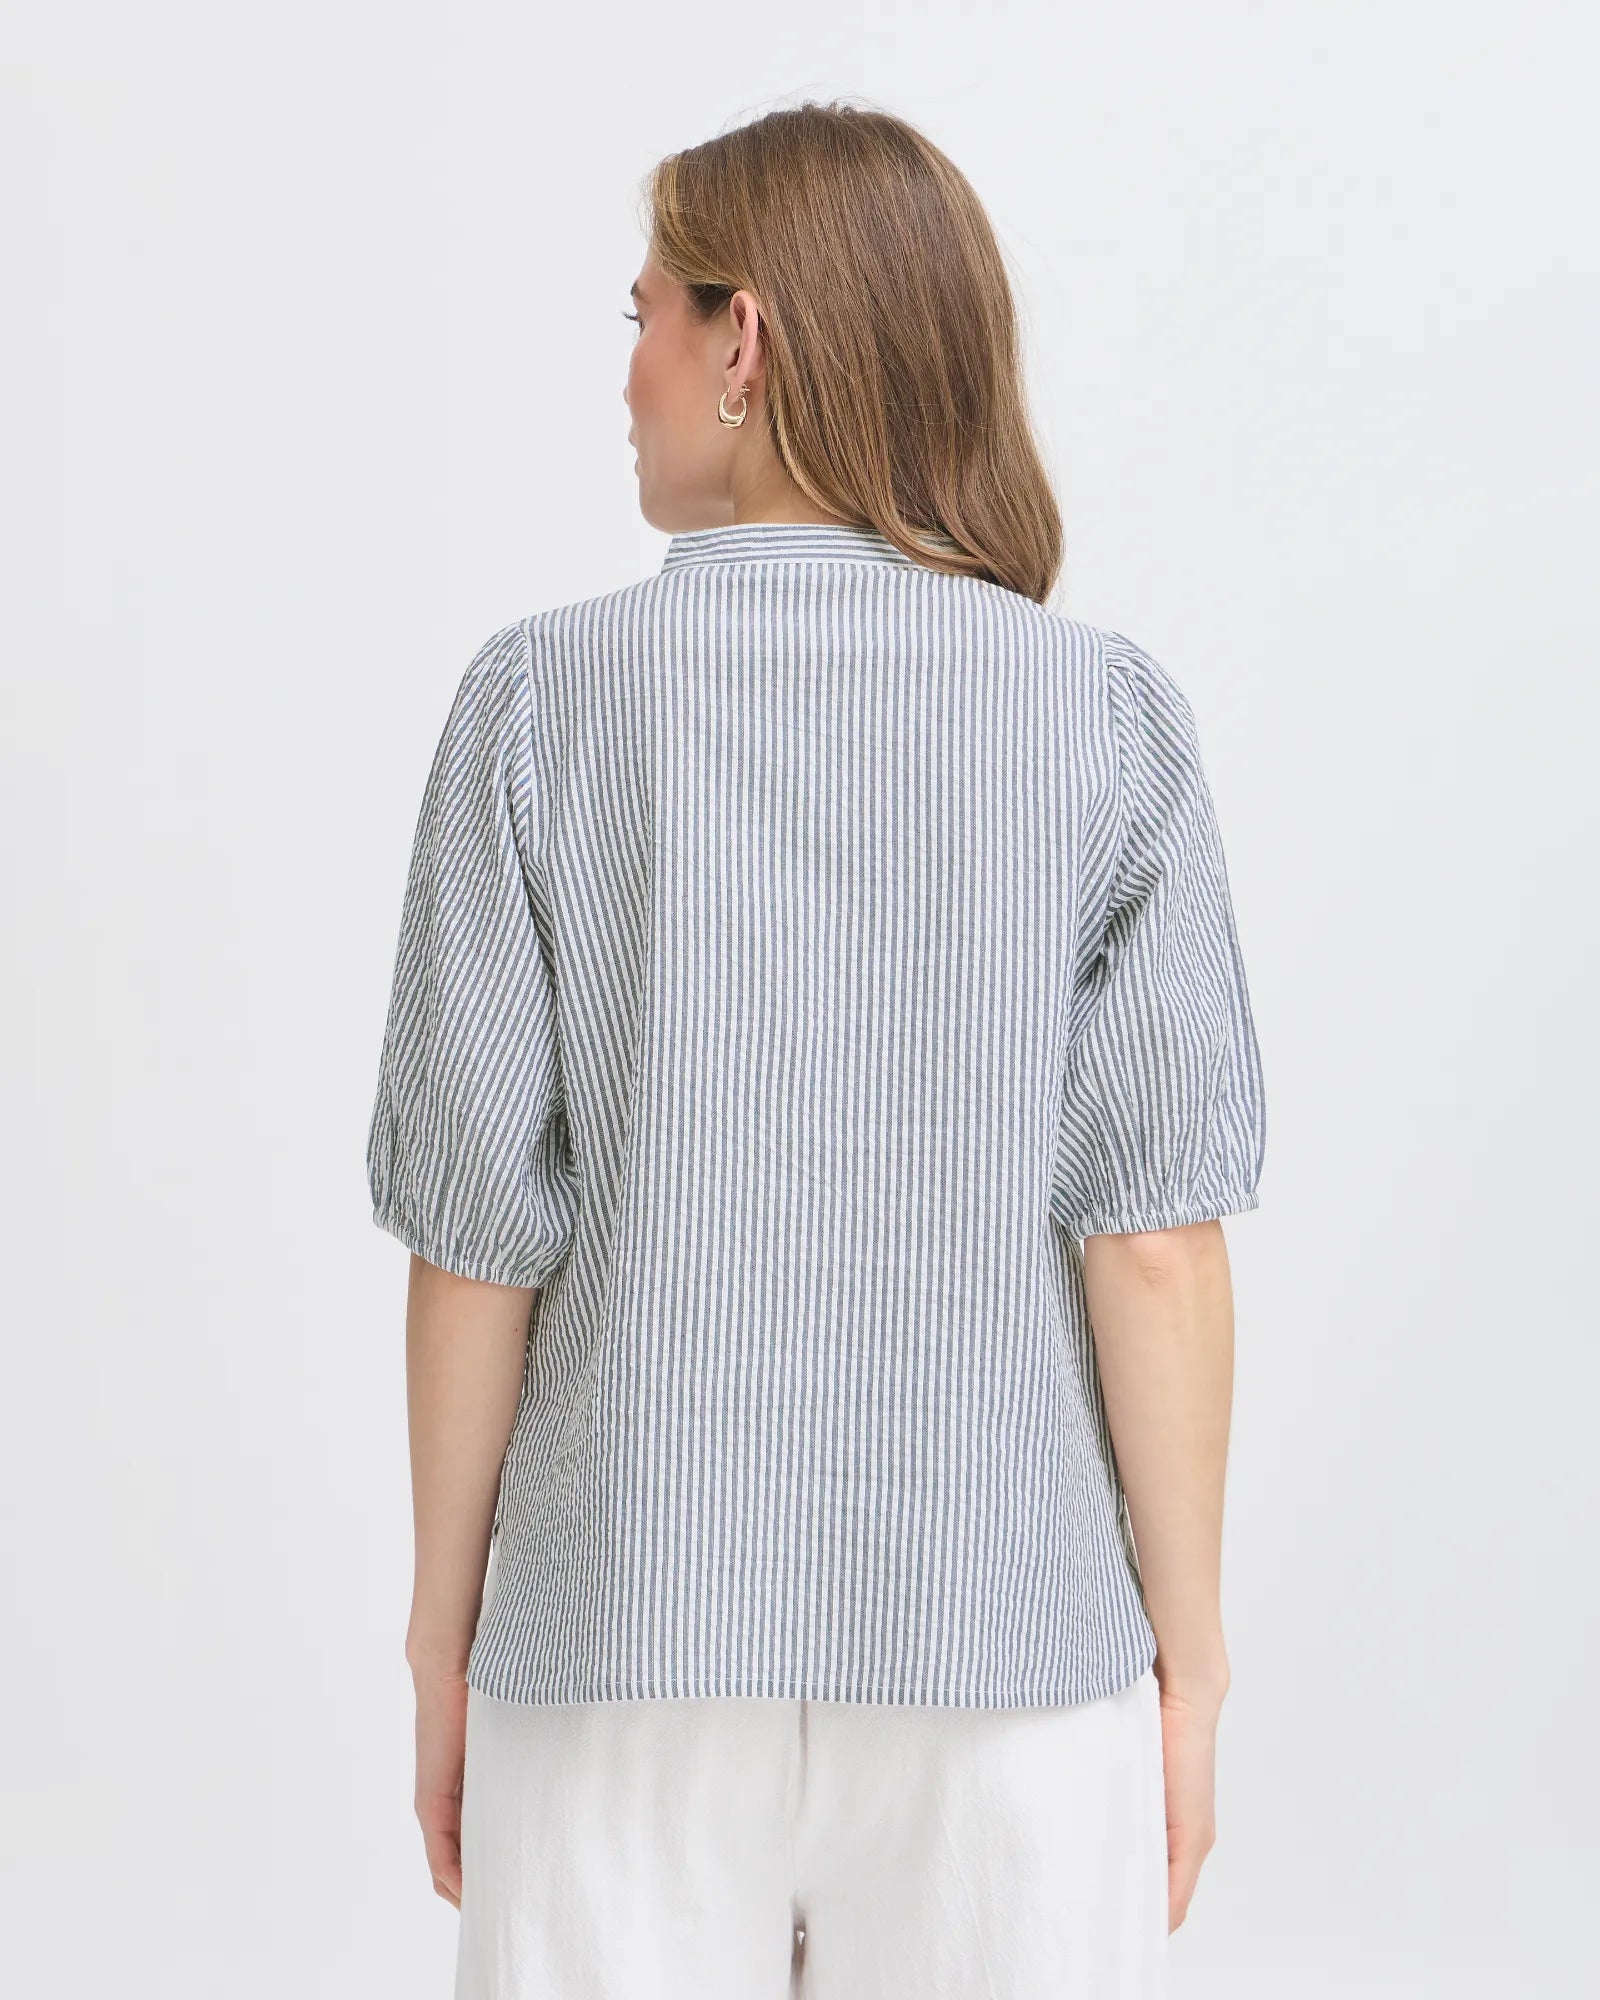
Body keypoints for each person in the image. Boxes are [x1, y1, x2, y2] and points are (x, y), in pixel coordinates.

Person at [365, 99, 1266, 2000]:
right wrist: (1189, 1667)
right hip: (1006, 1654)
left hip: (616, 1642)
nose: (624, 374)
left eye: (642, 317)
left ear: (744, 343)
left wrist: (443, 1645)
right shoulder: (1102, 719)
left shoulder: (537, 707)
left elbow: (475, 1246)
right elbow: (1155, 1246)